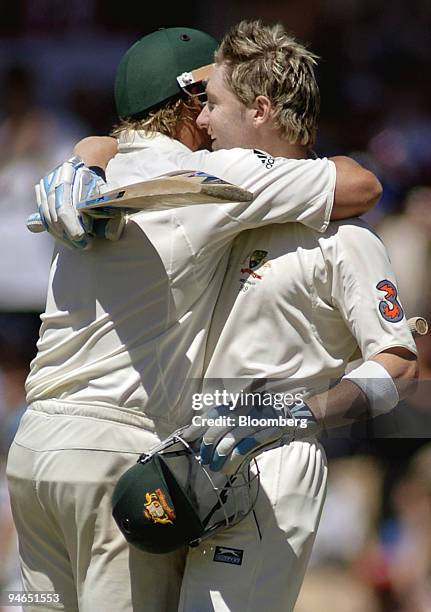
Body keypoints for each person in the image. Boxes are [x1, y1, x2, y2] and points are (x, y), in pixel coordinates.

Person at [7, 24, 385, 612]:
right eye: (205, 100)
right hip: (117, 453)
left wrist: (85, 149)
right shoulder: (208, 181)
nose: (209, 121)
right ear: (185, 103)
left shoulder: (85, 181)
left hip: (33, 452)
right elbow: (361, 182)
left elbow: (114, 146)